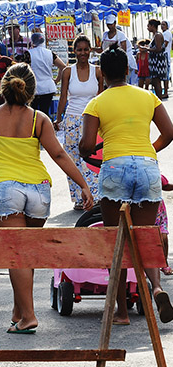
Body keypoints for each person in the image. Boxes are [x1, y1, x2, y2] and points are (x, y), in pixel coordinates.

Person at [0, 63, 94, 334]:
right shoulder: (39, 119)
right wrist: (83, 184)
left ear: (3, 88)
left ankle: (29, 316)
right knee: (25, 255)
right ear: (31, 91)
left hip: (5, 191)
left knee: (17, 255)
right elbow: (59, 155)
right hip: (38, 191)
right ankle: (18, 312)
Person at [79, 43, 173, 325]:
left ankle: (121, 312)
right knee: (146, 236)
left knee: (116, 241)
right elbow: (169, 132)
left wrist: (94, 150)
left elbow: (85, 145)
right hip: (146, 167)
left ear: (103, 74)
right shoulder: (148, 97)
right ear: (130, 70)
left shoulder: (96, 103)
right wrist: (147, 151)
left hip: (115, 168)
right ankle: (155, 288)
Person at [55, 35, 104, 210]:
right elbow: (63, 97)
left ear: (90, 50)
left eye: (85, 49)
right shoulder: (68, 71)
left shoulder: (97, 71)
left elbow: (101, 98)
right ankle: (78, 197)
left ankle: (94, 195)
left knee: (92, 159)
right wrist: (58, 118)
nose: (83, 53)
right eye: (79, 50)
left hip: (91, 120)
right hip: (72, 119)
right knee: (72, 159)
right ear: (74, 51)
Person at [25, 32, 66, 117]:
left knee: (33, 114)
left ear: (32, 42)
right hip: (48, 87)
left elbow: (21, 69)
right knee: (45, 113)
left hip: (34, 88)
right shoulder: (50, 53)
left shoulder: (28, 54)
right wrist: (57, 80)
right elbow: (63, 67)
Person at [143, 18, 168, 100]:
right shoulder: (155, 35)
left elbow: (158, 49)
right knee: (155, 81)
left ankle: (159, 100)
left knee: (156, 81)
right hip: (155, 61)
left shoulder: (157, 35)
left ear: (153, 26)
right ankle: (159, 99)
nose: (147, 27)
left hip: (158, 61)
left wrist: (147, 49)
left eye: (148, 26)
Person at [161, 20, 172, 98]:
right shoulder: (164, 33)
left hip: (165, 55)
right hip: (164, 55)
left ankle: (166, 92)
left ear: (167, 26)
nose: (162, 26)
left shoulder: (167, 33)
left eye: (164, 24)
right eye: (161, 24)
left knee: (165, 75)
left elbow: (164, 44)